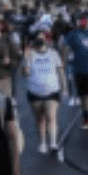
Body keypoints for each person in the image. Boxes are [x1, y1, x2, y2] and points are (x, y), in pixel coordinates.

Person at [21, 26, 66, 158]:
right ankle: (42, 142)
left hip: (52, 91)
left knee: (51, 116)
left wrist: (64, 86)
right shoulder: (31, 55)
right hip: (35, 92)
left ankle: (52, 143)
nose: (40, 41)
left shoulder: (53, 53)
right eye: (38, 39)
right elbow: (26, 73)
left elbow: (60, 70)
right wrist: (25, 57)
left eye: (43, 38)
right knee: (40, 119)